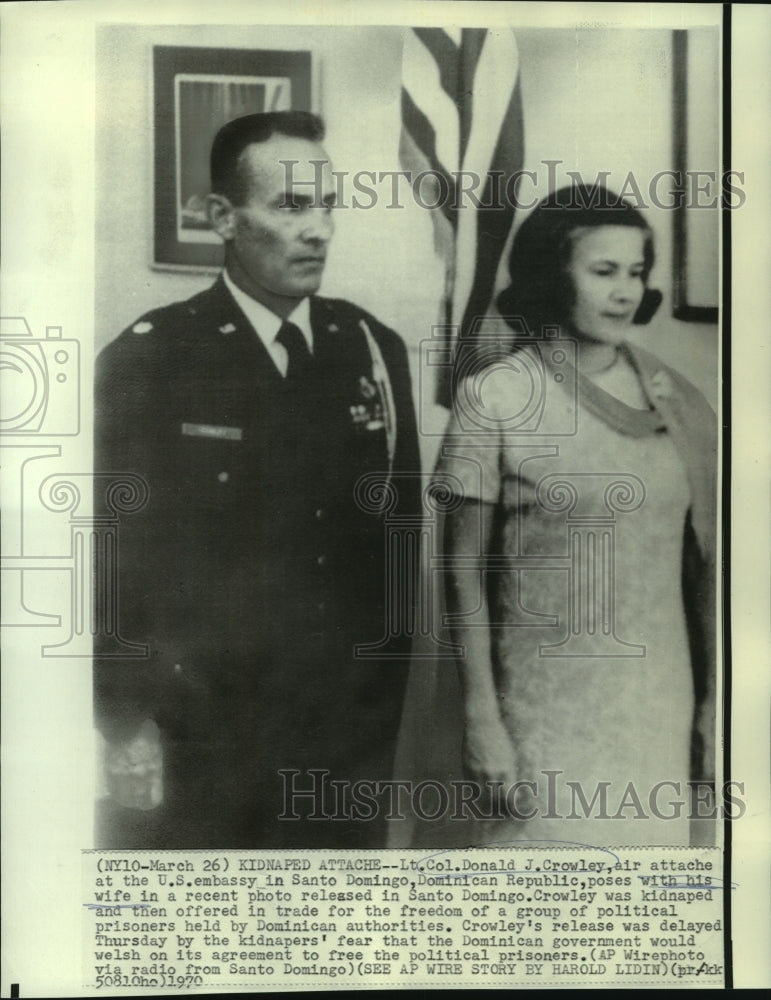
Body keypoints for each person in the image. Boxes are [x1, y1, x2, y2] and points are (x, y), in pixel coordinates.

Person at [94, 111, 421, 848]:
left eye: (329, 206)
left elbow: (394, 550)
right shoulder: (154, 358)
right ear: (222, 216)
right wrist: (122, 720)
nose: (320, 231)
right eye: (291, 206)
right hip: (202, 738)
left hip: (342, 741)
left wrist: (377, 723)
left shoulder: (370, 349)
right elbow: (113, 560)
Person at [421, 185, 716, 847]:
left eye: (636, 273)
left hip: (654, 704)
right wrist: (481, 718)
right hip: (539, 713)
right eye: (603, 271)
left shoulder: (680, 402)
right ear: (555, 276)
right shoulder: (495, 396)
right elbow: (459, 573)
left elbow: (709, 572)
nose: (625, 292)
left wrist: (711, 704)